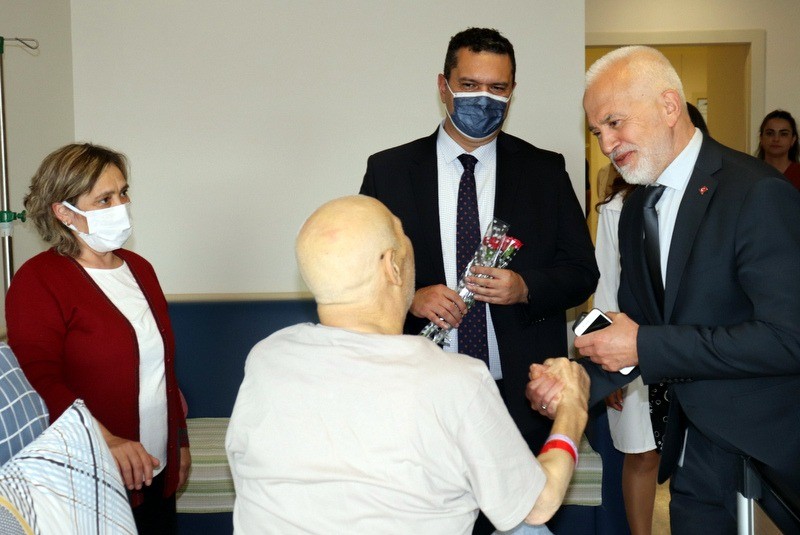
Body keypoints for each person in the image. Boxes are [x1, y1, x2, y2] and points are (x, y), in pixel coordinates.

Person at [530, 45, 800, 534]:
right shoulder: (637, 209)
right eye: (597, 131)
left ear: (669, 106)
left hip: (767, 462)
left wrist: (644, 344)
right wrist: (575, 380)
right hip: (693, 450)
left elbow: (788, 338)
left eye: (615, 123)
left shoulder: (756, 193)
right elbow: (635, 324)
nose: (606, 144)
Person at [225, 195, 591, 535]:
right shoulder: (456, 380)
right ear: (391, 267)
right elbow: (538, 505)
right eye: (402, 234)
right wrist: (572, 407)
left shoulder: (266, 359)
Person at [359, 29, 598, 531]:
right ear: (443, 86)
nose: (483, 99)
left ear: (513, 91)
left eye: (498, 88)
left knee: (517, 518)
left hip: (518, 391)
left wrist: (525, 288)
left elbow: (582, 272)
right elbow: (361, 275)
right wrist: (410, 296)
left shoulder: (544, 170)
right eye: (470, 85)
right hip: (418, 389)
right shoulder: (389, 171)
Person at [6, 143, 191, 534]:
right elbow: (41, 380)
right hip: (92, 475)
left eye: (123, 192)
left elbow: (164, 371)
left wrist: (179, 443)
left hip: (155, 468)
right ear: (63, 212)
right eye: (104, 199)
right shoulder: (39, 281)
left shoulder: (139, 268)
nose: (121, 205)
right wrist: (105, 439)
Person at [597, 101, 708, 535]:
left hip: (691, 350)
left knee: (694, 458)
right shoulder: (618, 208)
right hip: (632, 349)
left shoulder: (713, 201)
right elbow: (607, 285)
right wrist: (608, 367)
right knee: (642, 454)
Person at [756, 109, 800, 189]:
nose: (776, 139)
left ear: (793, 140)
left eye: (783, 134)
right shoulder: (750, 172)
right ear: (761, 138)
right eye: (770, 133)